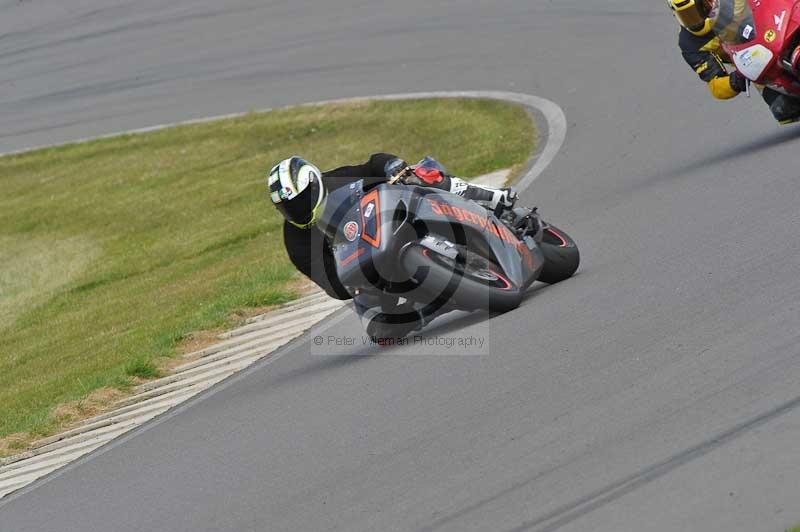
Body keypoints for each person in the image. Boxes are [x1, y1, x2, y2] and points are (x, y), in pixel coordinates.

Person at [267, 153, 517, 342]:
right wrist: (355, 275)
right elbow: (333, 285)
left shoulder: (338, 179)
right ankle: (440, 303)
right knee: (380, 331)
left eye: (301, 200)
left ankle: (491, 197)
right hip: (369, 270)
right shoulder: (296, 240)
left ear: (314, 182)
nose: (297, 210)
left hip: (398, 218)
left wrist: (391, 164)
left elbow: (373, 164)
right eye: (288, 207)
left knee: (421, 173)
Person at [667, 0, 800, 124]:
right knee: (783, 109)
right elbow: (715, 84)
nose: (694, 20)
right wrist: (736, 80)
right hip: (755, 62)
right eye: (686, 15)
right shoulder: (689, 45)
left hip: (772, 24)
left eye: (696, 9)